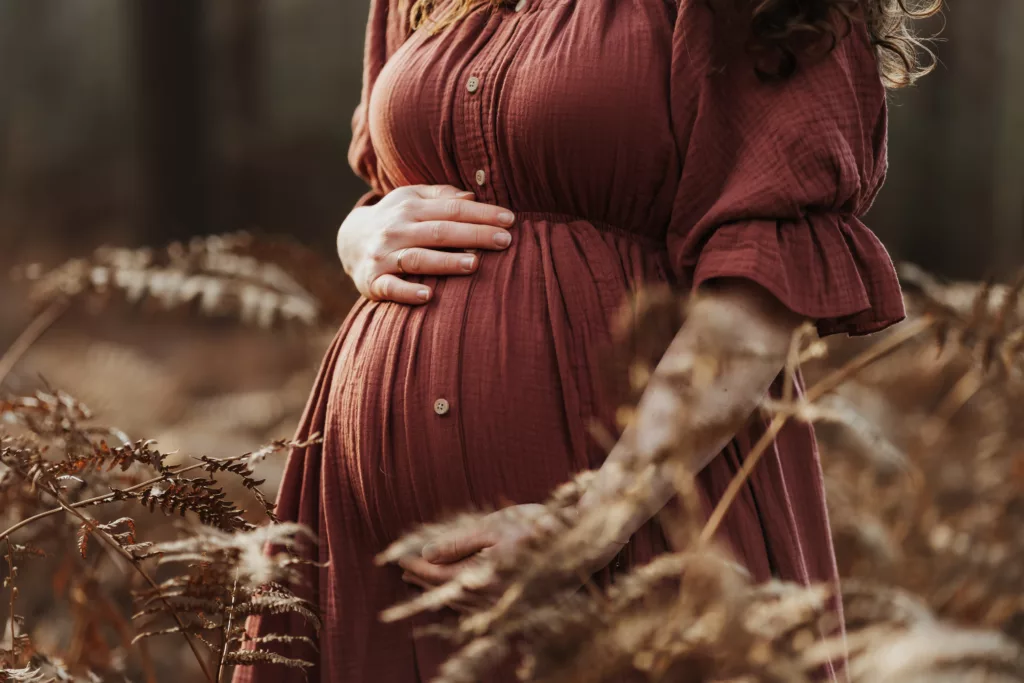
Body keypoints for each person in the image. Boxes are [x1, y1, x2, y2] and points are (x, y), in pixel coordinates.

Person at [233, 0, 935, 680]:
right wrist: (357, 235)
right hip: (371, 556)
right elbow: (391, 183)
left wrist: (596, 517)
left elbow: (759, 289)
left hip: (640, 533)